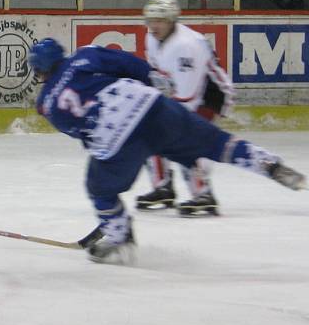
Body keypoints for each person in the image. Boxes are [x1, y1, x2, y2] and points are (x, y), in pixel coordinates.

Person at [29, 38, 306, 264]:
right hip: (152, 107)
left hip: (116, 137)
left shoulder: (47, 104)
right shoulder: (84, 56)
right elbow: (130, 64)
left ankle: (119, 239)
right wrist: (150, 89)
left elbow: (78, 129)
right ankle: (267, 163)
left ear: (40, 70)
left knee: (99, 189)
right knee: (214, 142)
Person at [135, 0, 235, 216]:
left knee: (183, 139)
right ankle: (163, 188)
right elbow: (157, 73)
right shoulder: (152, 38)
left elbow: (187, 96)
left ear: (171, 20)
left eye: (159, 20)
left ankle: (203, 194)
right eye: (150, 19)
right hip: (181, 92)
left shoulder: (186, 46)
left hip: (211, 95)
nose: (153, 25)